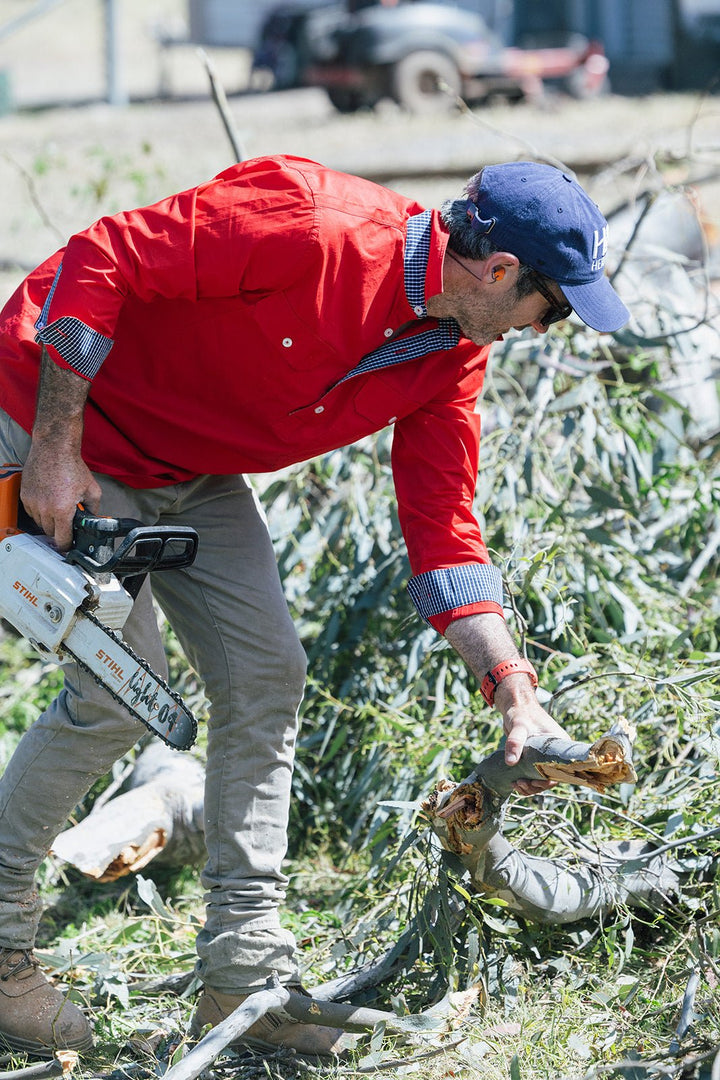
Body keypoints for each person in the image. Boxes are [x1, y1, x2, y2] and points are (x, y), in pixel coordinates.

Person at [0, 156, 629, 1059]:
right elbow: (104, 257)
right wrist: (57, 444)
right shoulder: (312, 223)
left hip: (189, 465)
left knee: (267, 675)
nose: (546, 325)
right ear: (500, 273)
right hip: (57, 414)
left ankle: (242, 977)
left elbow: (444, 526)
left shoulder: (450, 355)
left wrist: (511, 687)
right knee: (116, 693)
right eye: (553, 305)